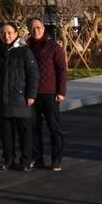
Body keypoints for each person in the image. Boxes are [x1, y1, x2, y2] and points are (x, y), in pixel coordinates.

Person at [0, 21, 39, 170]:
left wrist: (31, 94)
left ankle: (25, 161)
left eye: (9, 32)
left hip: (21, 99)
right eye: (3, 33)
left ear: (16, 33)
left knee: (25, 133)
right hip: (3, 99)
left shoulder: (24, 51)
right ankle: (8, 160)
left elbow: (33, 75)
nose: (6, 35)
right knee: (6, 134)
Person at [28, 17, 67, 170]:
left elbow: (61, 70)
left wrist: (61, 91)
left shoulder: (53, 47)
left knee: (54, 128)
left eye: (38, 27)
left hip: (50, 93)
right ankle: (37, 158)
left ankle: (56, 160)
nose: (35, 30)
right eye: (32, 28)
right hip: (32, 95)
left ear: (43, 29)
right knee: (33, 128)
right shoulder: (27, 47)